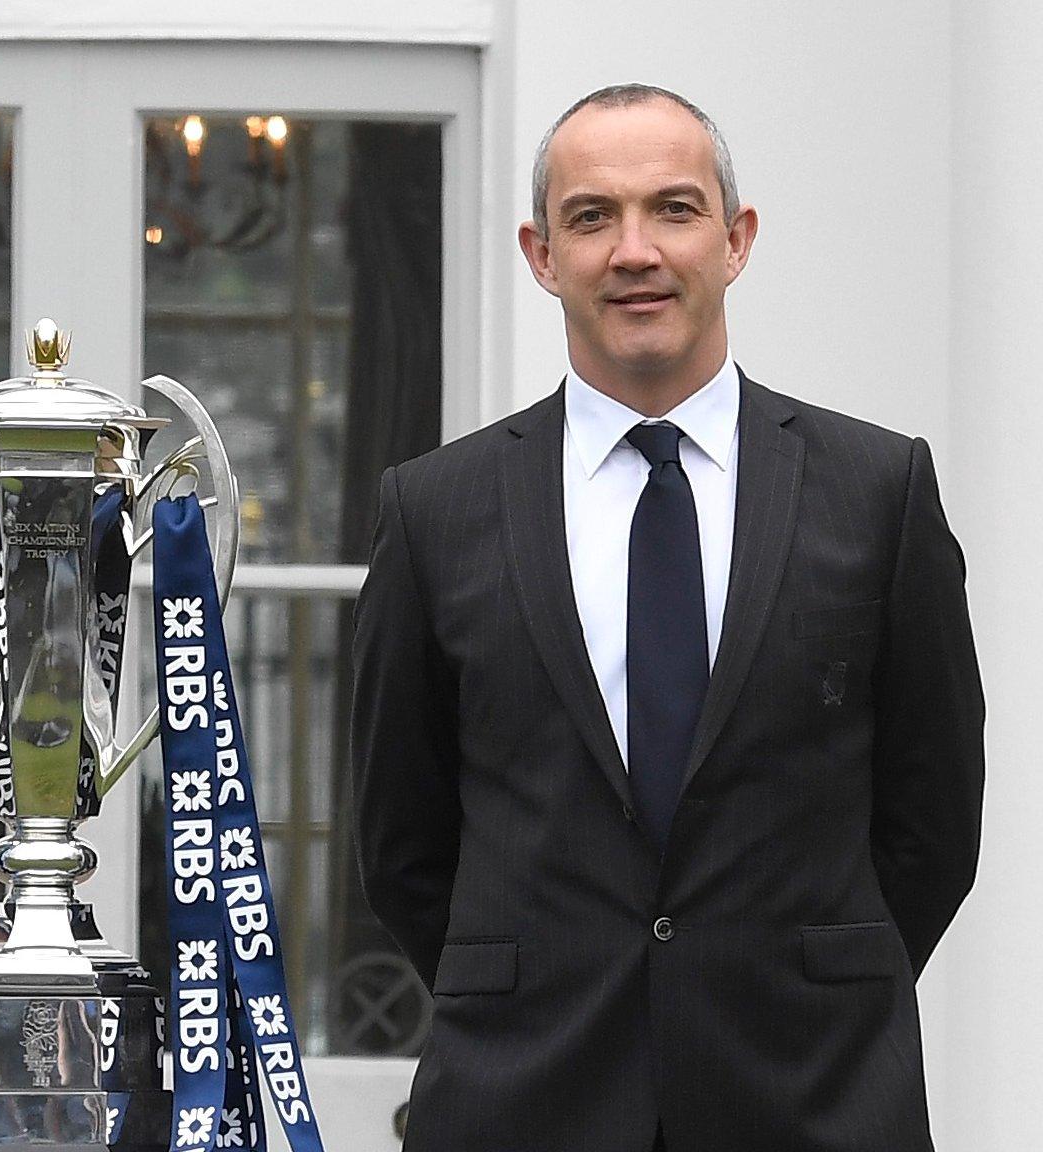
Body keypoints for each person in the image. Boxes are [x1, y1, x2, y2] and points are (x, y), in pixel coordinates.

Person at [350, 83, 984, 1151]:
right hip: (524, 1101)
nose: (632, 250)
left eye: (673, 210)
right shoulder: (432, 510)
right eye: (591, 216)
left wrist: (804, 984)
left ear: (734, 240)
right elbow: (399, 842)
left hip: (813, 1096)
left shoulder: (878, 489)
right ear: (539, 254)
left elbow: (931, 822)